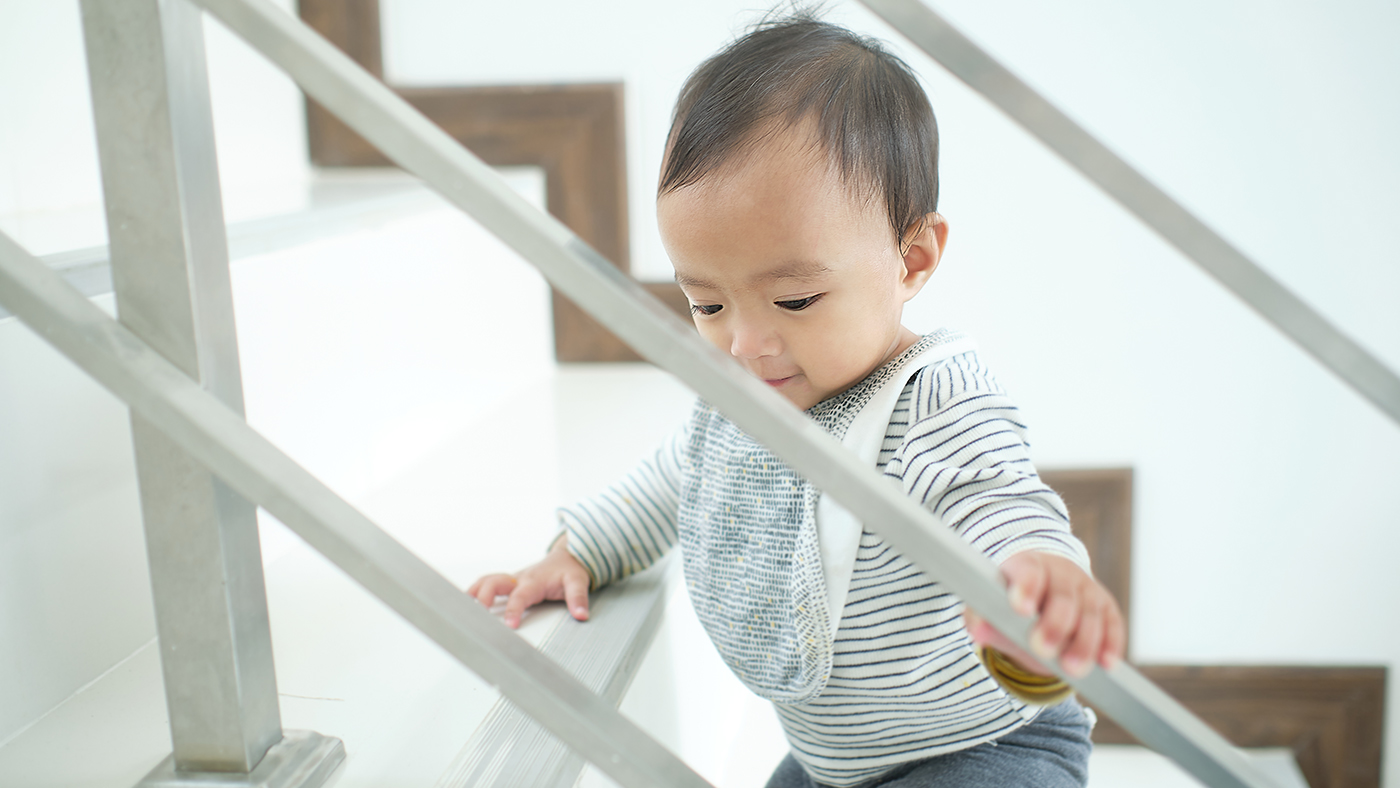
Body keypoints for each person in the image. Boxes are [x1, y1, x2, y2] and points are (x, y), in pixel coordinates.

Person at [469, 12, 1125, 788]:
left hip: (983, 749)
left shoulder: (934, 400)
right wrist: (580, 551)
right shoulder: (746, 393)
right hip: (833, 764)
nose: (746, 344)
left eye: (796, 300)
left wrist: (1037, 572)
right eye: (708, 305)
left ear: (912, 258)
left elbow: (995, 494)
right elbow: (678, 479)